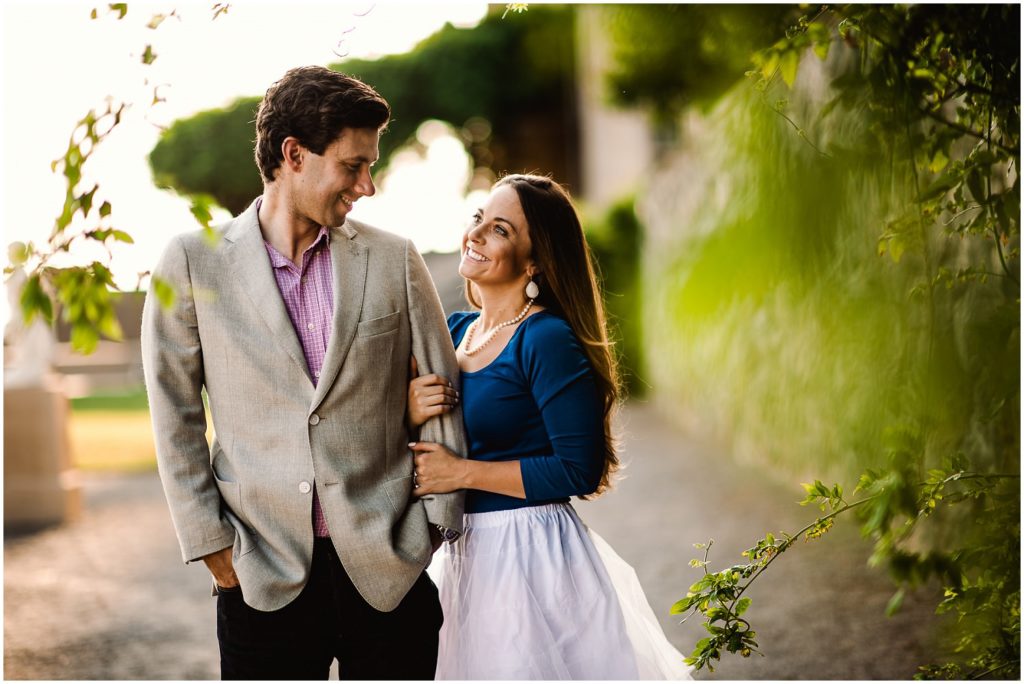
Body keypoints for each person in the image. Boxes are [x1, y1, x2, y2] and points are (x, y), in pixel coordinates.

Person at [141, 65, 467, 680]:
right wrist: (215, 550)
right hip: (260, 572)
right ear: (294, 154)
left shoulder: (395, 257)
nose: (367, 185)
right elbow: (173, 412)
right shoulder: (189, 262)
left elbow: (441, 389)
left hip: (388, 566)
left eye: (370, 165)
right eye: (353, 165)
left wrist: (435, 524)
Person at [406, 173, 693, 680]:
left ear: (535, 261)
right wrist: (409, 410)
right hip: (463, 554)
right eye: (478, 218)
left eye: (499, 230)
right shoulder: (452, 332)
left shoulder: (545, 338)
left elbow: (579, 469)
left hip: (531, 555)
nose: (475, 234)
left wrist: (463, 474)